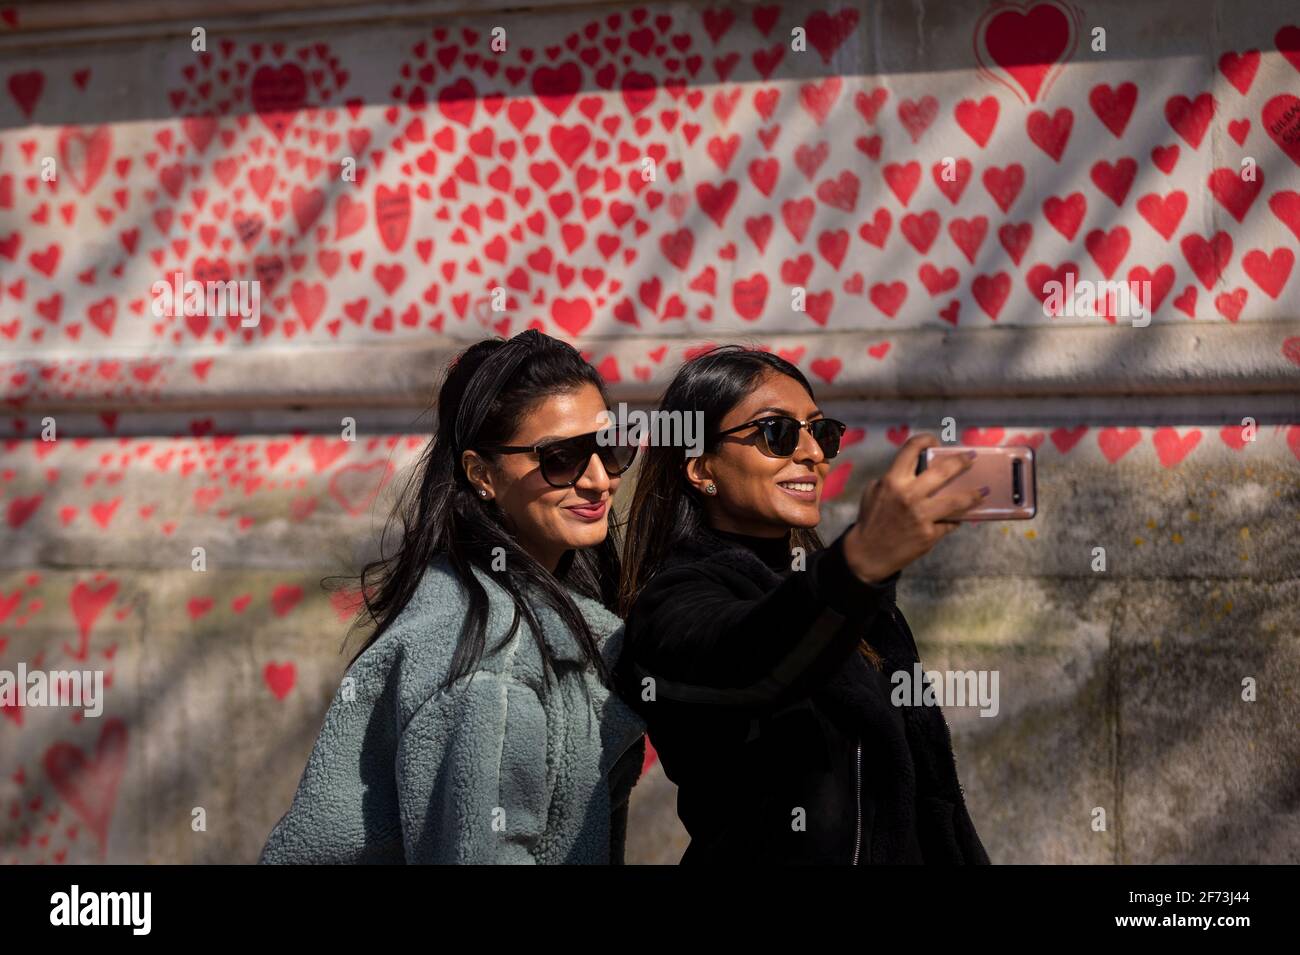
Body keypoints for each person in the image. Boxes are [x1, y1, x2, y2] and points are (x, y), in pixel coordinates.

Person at [261, 329, 645, 864]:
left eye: (611, 445)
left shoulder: (515, 609)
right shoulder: (491, 664)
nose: (600, 479)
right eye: (562, 458)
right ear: (481, 474)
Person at [616, 344, 991, 864]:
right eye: (778, 433)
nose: (813, 453)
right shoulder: (672, 600)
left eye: (822, 432)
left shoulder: (855, 601)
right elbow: (756, 660)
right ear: (701, 468)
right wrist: (860, 562)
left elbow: (931, 801)